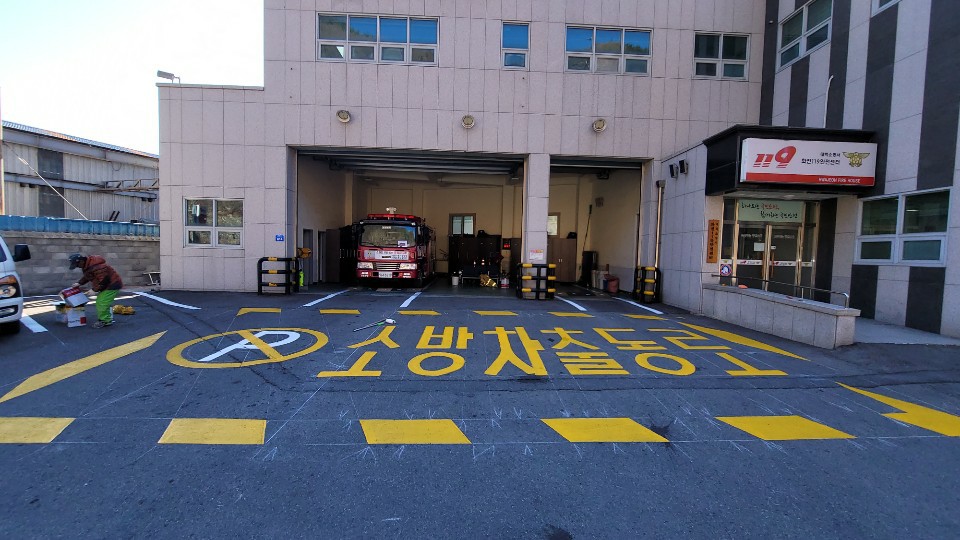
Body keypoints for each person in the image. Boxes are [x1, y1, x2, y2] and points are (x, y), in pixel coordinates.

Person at [68, 253, 123, 328]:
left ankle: (105, 321)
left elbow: (104, 280)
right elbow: (88, 276)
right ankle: (107, 318)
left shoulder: (97, 266)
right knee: (102, 302)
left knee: (101, 302)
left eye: (77, 265)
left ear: (81, 261)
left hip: (112, 285)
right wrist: (79, 283)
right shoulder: (87, 265)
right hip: (106, 285)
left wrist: (94, 290)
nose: (77, 267)